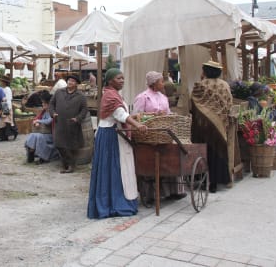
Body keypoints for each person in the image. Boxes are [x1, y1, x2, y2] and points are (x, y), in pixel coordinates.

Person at [87, 68, 147, 219]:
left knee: (118, 169)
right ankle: (114, 203)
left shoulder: (113, 94)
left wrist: (134, 118)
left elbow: (121, 114)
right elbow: (120, 114)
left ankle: (117, 200)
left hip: (113, 133)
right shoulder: (110, 95)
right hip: (110, 136)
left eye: (123, 78)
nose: (122, 81)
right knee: (114, 169)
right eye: (119, 78)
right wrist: (136, 125)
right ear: (110, 81)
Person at [132, 71, 186, 206]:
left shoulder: (163, 97)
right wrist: (153, 114)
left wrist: (169, 115)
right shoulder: (142, 97)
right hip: (148, 136)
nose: (163, 84)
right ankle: (149, 196)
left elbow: (168, 114)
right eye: (161, 81)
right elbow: (136, 116)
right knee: (150, 164)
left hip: (164, 135)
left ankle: (173, 191)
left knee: (171, 156)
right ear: (154, 83)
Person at [191, 60, 233, 193]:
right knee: (217, 152)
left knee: (203, 152)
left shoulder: (200, 85)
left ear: (206, 71)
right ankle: (215, 182)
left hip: (203, 125)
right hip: (220, 124)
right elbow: (229, 103)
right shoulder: (225, 85)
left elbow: (193, 103)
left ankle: (203, 179)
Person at [49, 74, 88, 173]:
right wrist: (53, 113)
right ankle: (66, 163)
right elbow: (51, 104)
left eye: (73, 81)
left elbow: (84, 109)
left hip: (72, 123)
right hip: (60, 122)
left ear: (76, 84)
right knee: (59, 144)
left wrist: (78, 118)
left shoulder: (81, 96)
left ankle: (70, 165)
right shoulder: (58, 92)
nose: (70, 82)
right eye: (69, 80)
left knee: (72, 145)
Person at [24, 92, 60, 164]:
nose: (42, 104)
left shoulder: (52, 111)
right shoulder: (43, 111)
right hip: (43, 132)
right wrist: (36, 122)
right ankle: (31, 151)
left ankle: (43, 157)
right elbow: (36, 119)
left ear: (49, 104)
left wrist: (39, 121)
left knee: (39, 137)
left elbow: (49, 121)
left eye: (44, 103)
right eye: (42, 103)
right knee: (33, 135)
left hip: (51, 134)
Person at [0, 75, 18, 141]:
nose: (0, 83)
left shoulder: (7, 89)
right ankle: (3, 136)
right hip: (3, 106)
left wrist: (7, 109)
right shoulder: (3, 89)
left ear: (4, 82)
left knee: (8, 121)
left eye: (1, 81)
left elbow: (8, 99)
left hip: (6, 107)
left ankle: (14, 133)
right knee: (4, 122)